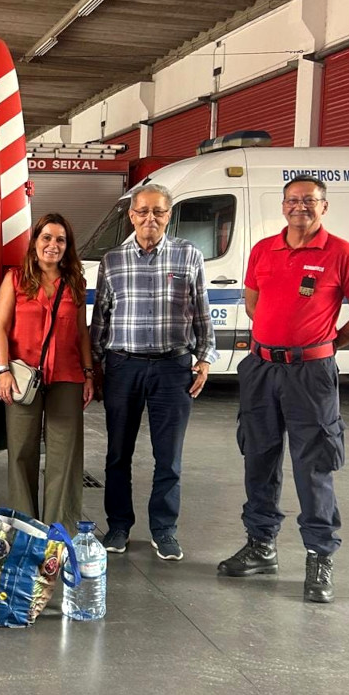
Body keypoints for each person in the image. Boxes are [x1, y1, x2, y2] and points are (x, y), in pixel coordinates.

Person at [217, 176, 349, 603]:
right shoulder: (263, 250)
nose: (299, 207)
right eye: (292, 200)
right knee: (259, 457)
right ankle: (261, 546)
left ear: (324, 207)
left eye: (309, 201)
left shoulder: (342, 253)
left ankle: (319, 556)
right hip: (261, 369)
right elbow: (254, 304)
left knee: (314, 465)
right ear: (282, 205)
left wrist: (325, 346)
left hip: (311, 375)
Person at [90, 183, 216, 562]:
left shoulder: (188, 255)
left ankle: (164, 529)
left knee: (169, 456)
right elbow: (100, 320)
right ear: (131, 215)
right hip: (123, 366)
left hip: (172, 367)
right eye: (142, 211)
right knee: (117, 454)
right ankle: (118, 526)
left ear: (169, 214)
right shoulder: (112, 261)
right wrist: (96, 367)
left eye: (158, 211)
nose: (150, 219)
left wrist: (205, 358)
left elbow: (202, 311)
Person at [0, 213, 94, 533]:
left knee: (64, 458)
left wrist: (89, 374)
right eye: (46, 238)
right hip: (22, 378)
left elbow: (81, 334)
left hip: (66, 377)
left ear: (68, 246)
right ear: (35, 241)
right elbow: (1, 329)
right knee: (21, 453)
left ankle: (59, 530)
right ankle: (25, 528)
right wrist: (3, 369)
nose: (53, 245)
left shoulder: (75, 281)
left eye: (60, 240)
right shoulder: (15, 279)